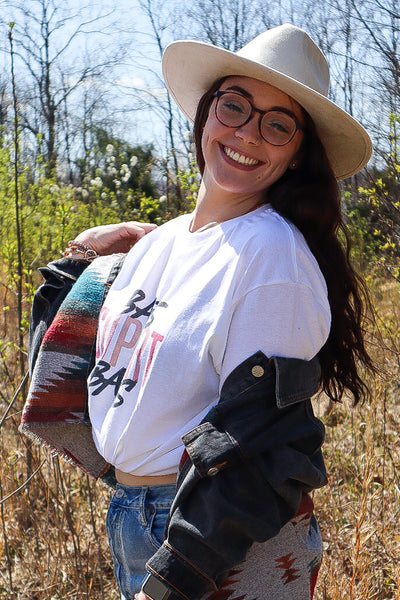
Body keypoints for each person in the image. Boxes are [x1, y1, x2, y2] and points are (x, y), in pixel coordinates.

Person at [30, 23, 375, 600]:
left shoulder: (272, 259)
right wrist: (88, 256)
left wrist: (175, 577)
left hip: (216, 541)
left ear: (296, 155)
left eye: (278, 124)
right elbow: (72, 364)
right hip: (136, 512)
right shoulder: (159, 244)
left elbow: (264, 448)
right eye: (234, 106)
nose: (248, 133)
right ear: (207, 113)